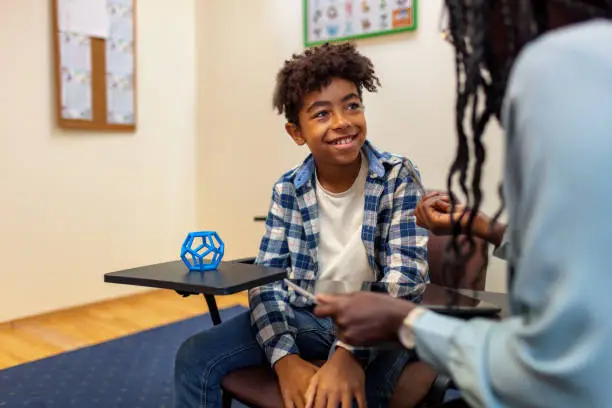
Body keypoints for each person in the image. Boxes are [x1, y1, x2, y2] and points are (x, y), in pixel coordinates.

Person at [314, 1, 612, 407]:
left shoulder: (561, 64)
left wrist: (408, 322)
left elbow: (564, 377)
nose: (473, 47)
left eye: (464, 28)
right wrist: (481, 225)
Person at [173, 42, 430, 408]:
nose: (342, 122)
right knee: (195, 355)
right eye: (322, 114)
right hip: (307, 317)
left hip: (379, 323)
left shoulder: (397, 176)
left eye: (352, 105)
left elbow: (404, 282)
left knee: (343, 398)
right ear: (297, 133)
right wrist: (284, 360)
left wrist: (348, 355)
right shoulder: (288, 189)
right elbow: (267, 281)